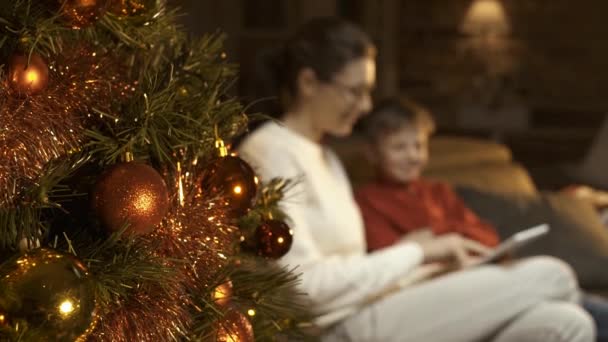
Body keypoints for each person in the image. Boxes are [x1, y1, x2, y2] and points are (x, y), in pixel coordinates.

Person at [238, 17, 595, 342]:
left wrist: (432, 269)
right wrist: (416, 251)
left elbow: (358, 275)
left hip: (369, 310)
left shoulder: (327, 157)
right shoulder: (269, 151)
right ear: (309, 82)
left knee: (565, 322)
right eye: (355, 91)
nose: (365, 106)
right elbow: (302, 289)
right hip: (329, 330)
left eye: (369, 91)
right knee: (553, 275)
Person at [355, 97, 608, 341]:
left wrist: (437, 236)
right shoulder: (366, 201)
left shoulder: (438, 192)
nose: (412, 156)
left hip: (481, 273)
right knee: (557, 283)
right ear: (372, 153)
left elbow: (486, 236)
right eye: (399, 147)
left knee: (567, 315)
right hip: (436, 293)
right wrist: (451, 239)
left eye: (419, 146)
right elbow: (391, 260)